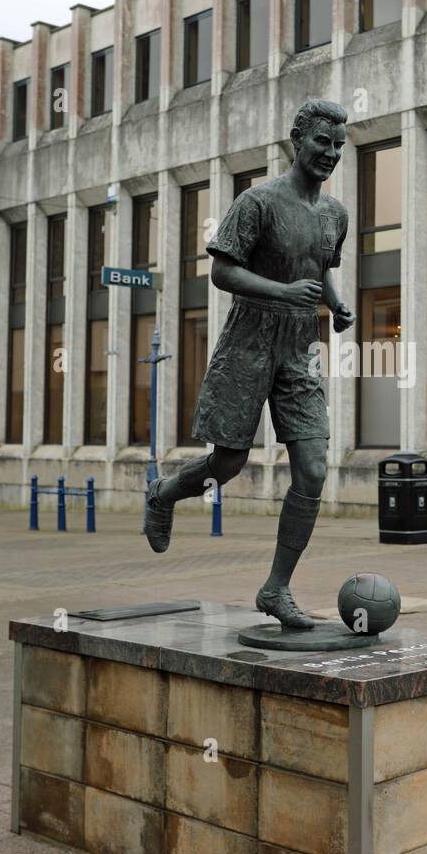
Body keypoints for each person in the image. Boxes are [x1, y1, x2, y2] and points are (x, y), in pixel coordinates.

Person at [144, 98, 354, 630]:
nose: (331, 153)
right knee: (228, 463)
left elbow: (320, 269)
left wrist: (336, 304)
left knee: (313, 468)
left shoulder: (335, 215)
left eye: (338, 145)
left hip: (300, 345)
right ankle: (164, 493)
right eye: (322, 142)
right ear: (296, 141)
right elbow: (222, 273)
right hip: (249, 337)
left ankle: (275, 588)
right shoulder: (257, 202)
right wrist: (283, 291)